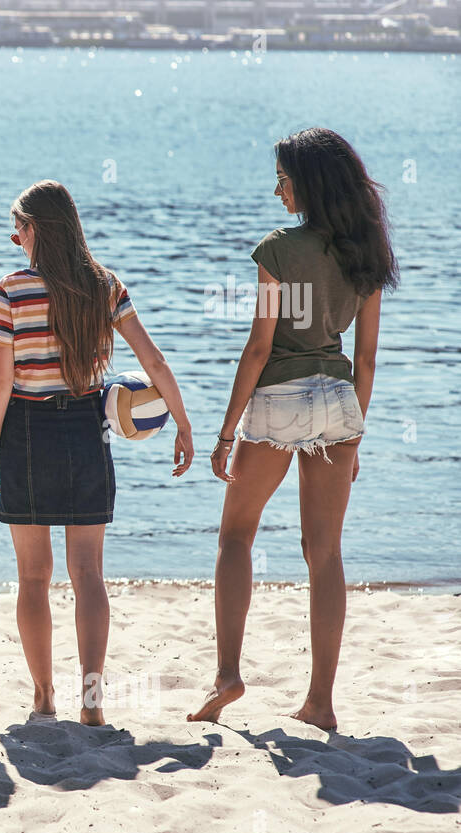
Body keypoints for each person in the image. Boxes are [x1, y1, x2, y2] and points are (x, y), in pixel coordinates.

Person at [189, 128, 397, 732]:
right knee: (324, 551)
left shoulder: (278, 249)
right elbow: (366, 362)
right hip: (338, 401)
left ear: (306, 183)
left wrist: (227, 431)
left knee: (235, 535)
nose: (275, 188)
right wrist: (355, 435)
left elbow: (259, 348)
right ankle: (321, 702)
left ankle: (228, 675)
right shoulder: (367, 253)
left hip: (280, 395)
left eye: (281, 177)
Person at [0, 181, 193, 726]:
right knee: (88, 575)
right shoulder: (105, 286)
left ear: (36, 230)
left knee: (33, 576)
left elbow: (0, 378)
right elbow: (155, 360)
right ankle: (92, 702)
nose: (14, 239)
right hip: (86, 426)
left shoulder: (12, 290)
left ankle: (44, 696)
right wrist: (184, 424)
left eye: (18, 229)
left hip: (26, 430)